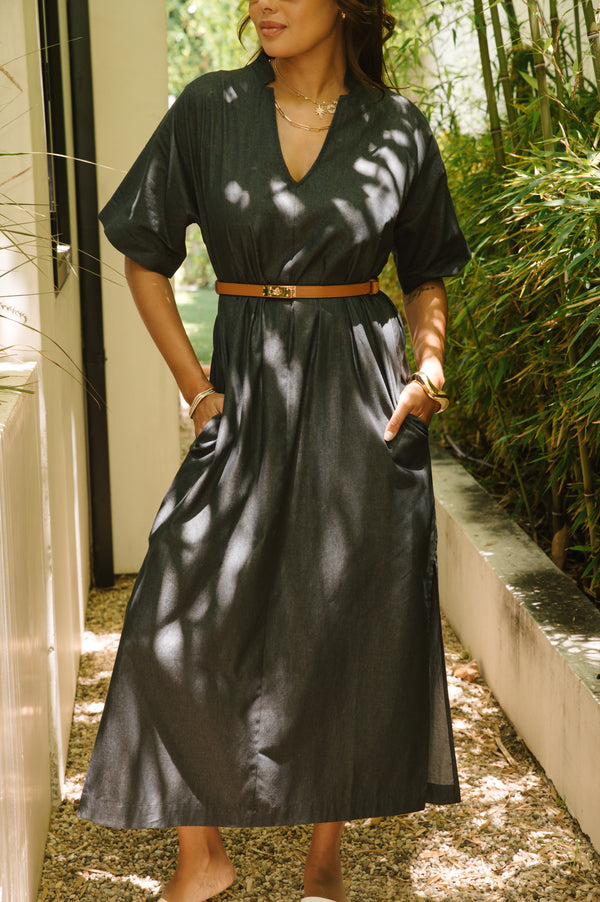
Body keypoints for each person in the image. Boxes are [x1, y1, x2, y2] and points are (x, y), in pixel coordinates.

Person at [78, 1, 471, 900]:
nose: (264, 3)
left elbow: (427, 269)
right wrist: (196, 387)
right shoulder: (210, 108)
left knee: (342, 619)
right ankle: (200, 856)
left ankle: (323, 868)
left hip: (361, 396)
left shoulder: (398, 128)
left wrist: (431, 367)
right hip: (247, 392)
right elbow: (144, 254)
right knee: (172, 601)